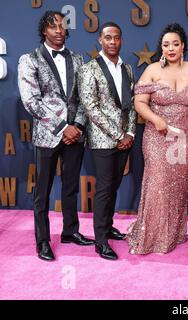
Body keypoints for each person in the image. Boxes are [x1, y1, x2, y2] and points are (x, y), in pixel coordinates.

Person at [17, 11, 94, 261]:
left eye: (62, 26)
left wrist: (78, 126)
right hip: (48, 135)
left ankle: (70, 231)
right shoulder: (29, 60)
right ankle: (42, 241)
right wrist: (64, 127)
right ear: (44, 31)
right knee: (43, 191)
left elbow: (85, 98)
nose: (59, 30)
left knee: (71, 187)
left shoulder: (78, 58)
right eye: (53, 27)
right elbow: (32, 101)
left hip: (76, 135)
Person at [126, 23, 188, 255]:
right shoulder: (152, 69)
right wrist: (156, 119)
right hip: (156, 136)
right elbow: (139, 103)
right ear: (161, 48)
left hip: (184, 138)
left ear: (183, 46)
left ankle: (173, 233)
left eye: (175, 44)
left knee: (178, 187)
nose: (170, 48)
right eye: (166, 44)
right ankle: (151, 237)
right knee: (158, 184)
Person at [77, 22, 137, 260]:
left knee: (113, 187)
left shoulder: (128, 68)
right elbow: (91, 109)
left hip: (124, 140)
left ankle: (108, 226)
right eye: (108, 38)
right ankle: (100, 241)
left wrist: (130, 133)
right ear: (100, 41)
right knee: (103, 189)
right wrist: (118, 134)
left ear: (121, 40)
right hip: (103, 141)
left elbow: (131, 104)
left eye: (117, 38)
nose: (113, 42)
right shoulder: (88, 69)